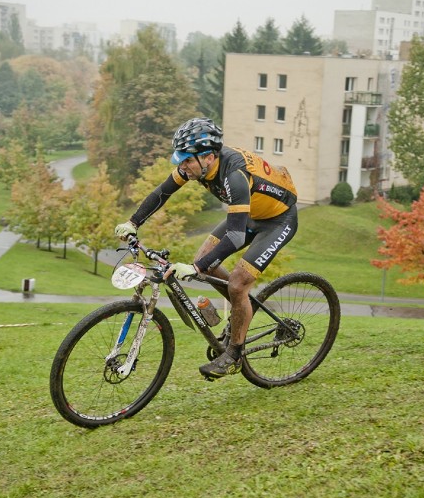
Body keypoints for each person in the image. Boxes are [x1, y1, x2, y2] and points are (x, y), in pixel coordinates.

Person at [115, 117, 299, 380]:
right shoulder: (196, 166)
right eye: (181, 160)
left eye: (187, 160)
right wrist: (133, 222)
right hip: (247, 214)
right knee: (204, 261)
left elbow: (234, 238)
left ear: (209, 157)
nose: (182, 166)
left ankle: (234, 354)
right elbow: (162, 193)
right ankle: (240, 312)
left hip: (278, 221)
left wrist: (194, 269)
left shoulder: (234, 176)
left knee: (236, 284)